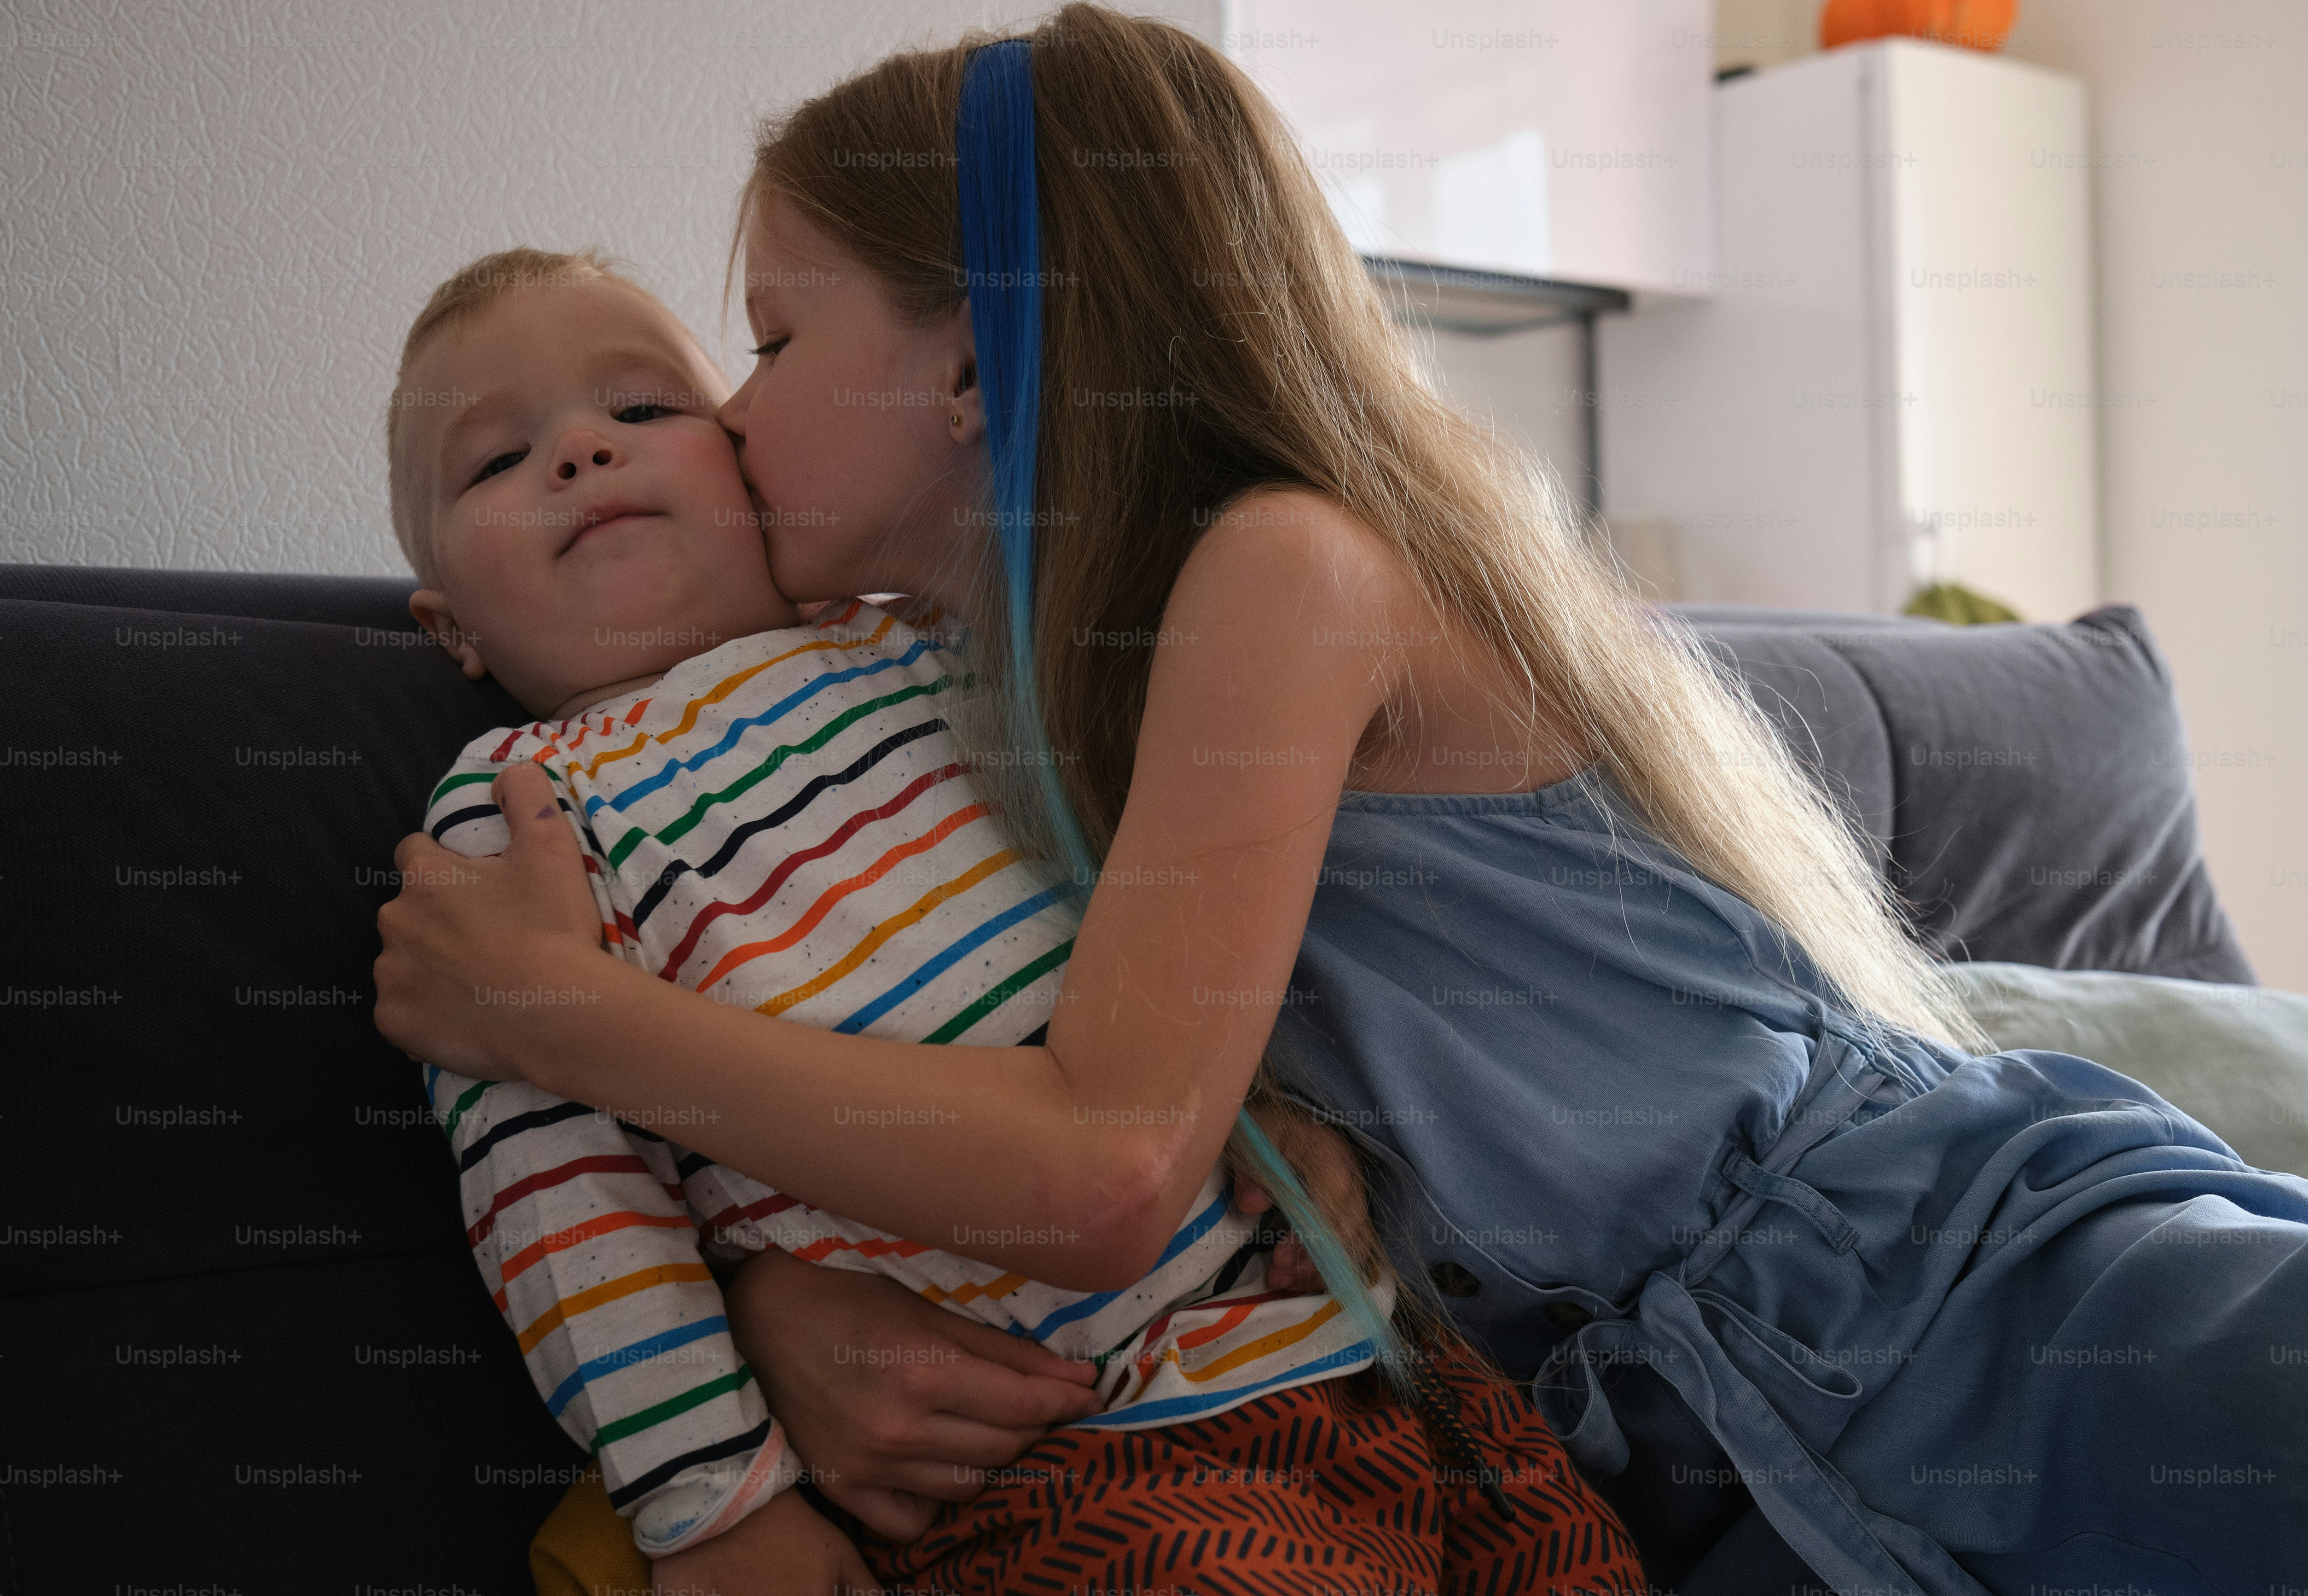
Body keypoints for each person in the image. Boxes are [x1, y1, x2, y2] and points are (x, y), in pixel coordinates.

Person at [376, 8, 2308, 1593]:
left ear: (972, 365)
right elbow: (962, 1052)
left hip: (1980, 1313)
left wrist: (570, 1022)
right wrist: (762, 1292)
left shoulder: (1278, 574)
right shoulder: (955, 721)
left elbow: (1105, 1160)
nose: (719, 416)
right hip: (1679, 1463)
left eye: (777, 338)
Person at [380, 244, 1644, 1595]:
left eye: (640, 412)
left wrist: (1277, 1098)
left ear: (746, 464)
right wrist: (716, 1505)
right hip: (1069, 1455)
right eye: (499, 461)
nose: (579, 453)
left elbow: (1166, 892)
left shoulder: (947, 638)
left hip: (1362, 1345)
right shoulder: (518, 810)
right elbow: (560, 1201)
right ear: (449, 624)